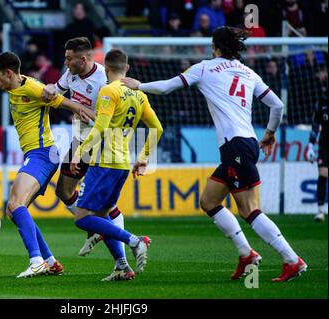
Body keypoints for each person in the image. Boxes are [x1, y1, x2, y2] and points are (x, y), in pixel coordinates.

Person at [122, 26, 307, 282]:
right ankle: (246, 254)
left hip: (235, 147)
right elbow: (277, 104)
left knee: (249, 210)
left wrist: (138, 84)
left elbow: (166, 88)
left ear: (214, 46)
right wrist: (270, 133)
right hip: (248, 143)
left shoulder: (205, 67)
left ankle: (291, 260)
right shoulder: (248, 72)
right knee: (209, 201)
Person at [0, 32, 95, 278]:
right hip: (37, 154)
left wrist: (82, 109)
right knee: (14, 210)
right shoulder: (14, 84)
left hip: (42, 154)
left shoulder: (34, 88)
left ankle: (36, 260)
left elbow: (60, 100)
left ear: (9, 73)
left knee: (15, 204)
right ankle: (49, 261)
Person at [70, 49, 164, 281]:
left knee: (82, 217)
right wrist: (143, 157)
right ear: (127, 69)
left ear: (106, 68)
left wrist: (78, 152)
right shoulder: (139, 95)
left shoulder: (108, 91)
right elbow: (158, 128)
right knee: (102, 218)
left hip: (105, 161)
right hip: (122, 163)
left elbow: (100, 127)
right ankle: (122, 267)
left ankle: (135, 240)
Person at [42, 37, 128, 259]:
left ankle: (123, 255)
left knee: (106, 206)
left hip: (102, 144)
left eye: (69, 58)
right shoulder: (71, 74)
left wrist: (89, 116)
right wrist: (50, 88)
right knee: (63, 191)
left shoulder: (104, 80)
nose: (65, 62)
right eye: (65, 57)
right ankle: (94, 229)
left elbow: (110, 118)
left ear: (83, 58)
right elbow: (57, 90)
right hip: (79, 142)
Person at [306, 88, 328, 222]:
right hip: (325, 142)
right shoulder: (322, 101)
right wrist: (310, 145)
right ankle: (320, 211)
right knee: (323, 173)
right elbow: (315, 124)